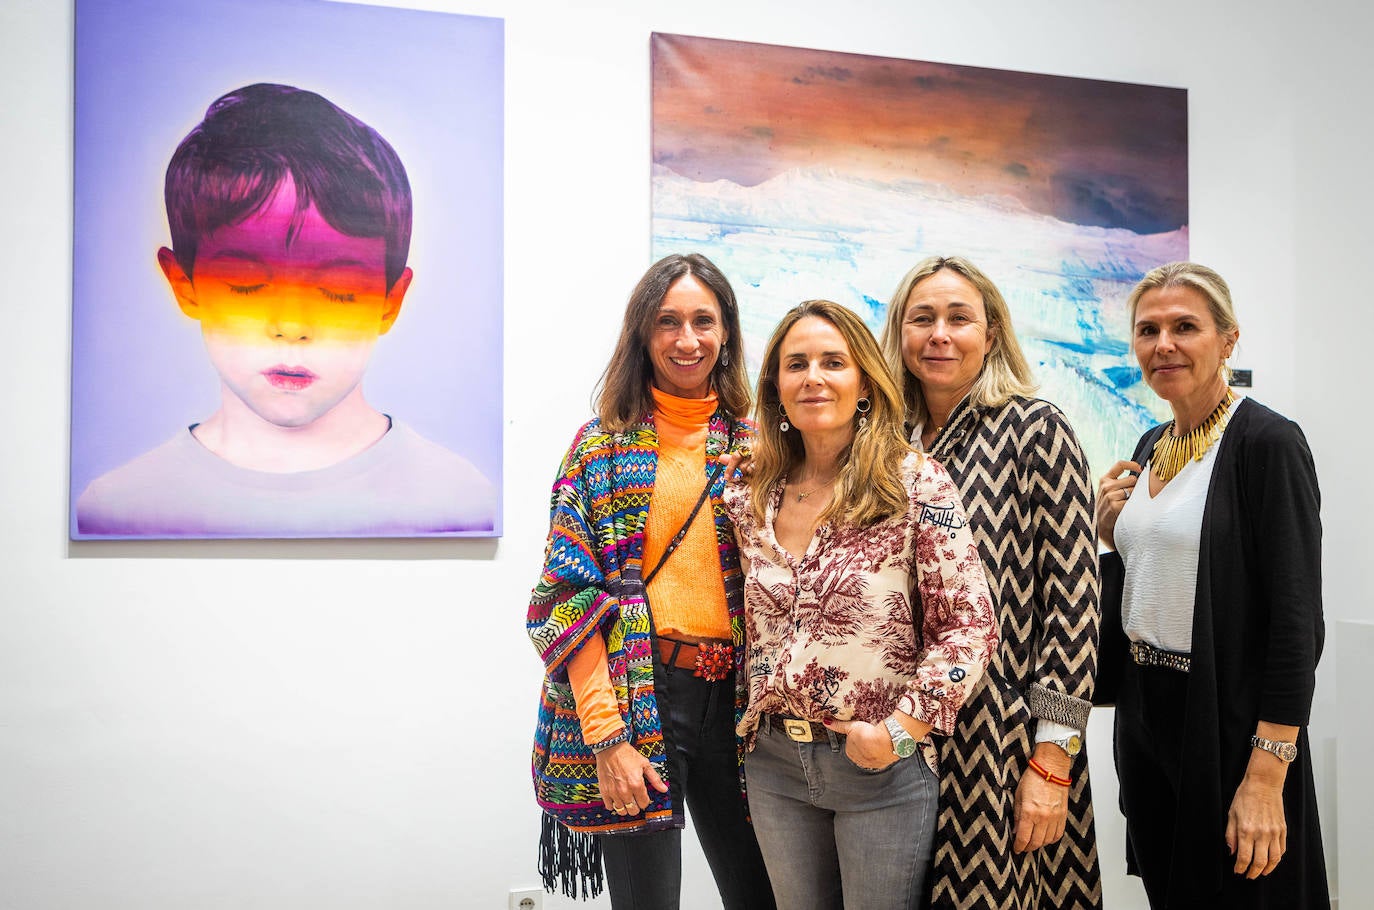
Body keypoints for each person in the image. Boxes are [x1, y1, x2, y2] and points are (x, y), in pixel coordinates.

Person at [75, 83, 496, 538]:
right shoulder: (118, 506)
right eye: (245, 284)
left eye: (339, 291)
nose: (291, 327)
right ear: (184, 284)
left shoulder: (459, 498)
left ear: (391, 301)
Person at [722, 298, 998, 909]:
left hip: (879, 767)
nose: (813, 377)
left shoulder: (914, 482)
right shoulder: (747, 491)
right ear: (776, 388)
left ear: (865, 383)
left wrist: (902, 731)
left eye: (832, 362)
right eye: (796, 364)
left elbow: (970, 626)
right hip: (773, 764)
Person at [525, 254, 774, 909]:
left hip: (742, 706)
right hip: (641, 697)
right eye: (668, 322)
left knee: (765, 895)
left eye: (702, 321)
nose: (686, 339)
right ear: (643, 334)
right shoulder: (599, 449)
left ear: (727, 335)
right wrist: (607, 739)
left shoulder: (762, 447)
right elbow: (566, 601)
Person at [1094, 261, 1328, 908]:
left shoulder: (1267, 443)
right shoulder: (1151, 442)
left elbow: (1296, 620)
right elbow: (1158, 575)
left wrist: (1266, 773)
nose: (1163, 344)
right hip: (1148, 711)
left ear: (1227, 339)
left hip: (1227, 716)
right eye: (1148, 330)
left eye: (1185, 327)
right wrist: (1113, 533)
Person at [878, 255, 1103, 909]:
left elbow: (1074, 605)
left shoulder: (1037, 429)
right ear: (900, 333)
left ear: (992, 334)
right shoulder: (884, 442)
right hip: (893, 736)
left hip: (1000, 744)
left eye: (958, 318)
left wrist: (1052, 762)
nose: (939, 334)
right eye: (922, 319)